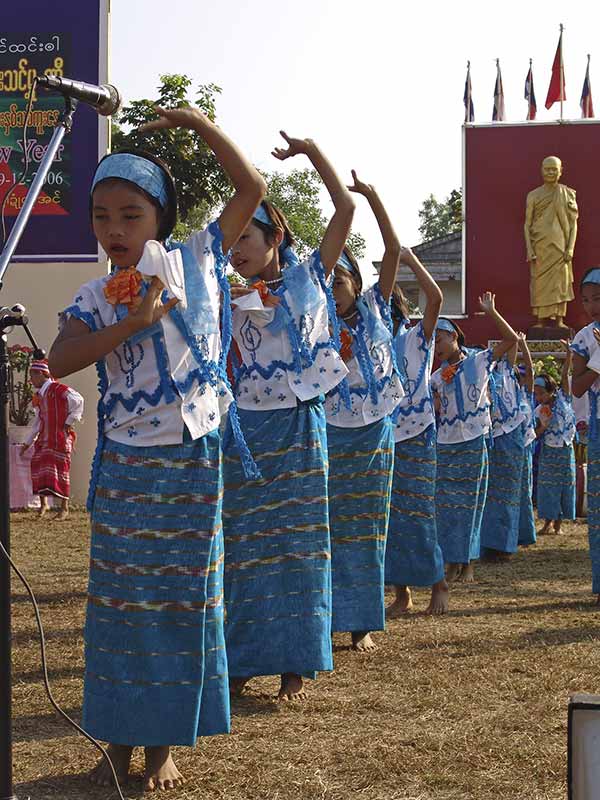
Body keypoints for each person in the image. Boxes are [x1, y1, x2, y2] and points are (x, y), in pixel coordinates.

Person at [48, 106, 266, 791]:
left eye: (130, 215)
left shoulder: (197, 259)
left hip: (193, 462)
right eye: (102, 217)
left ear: (160, 217)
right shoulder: (94, 294)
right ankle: (116, 740)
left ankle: (164, 742)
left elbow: (252, 189)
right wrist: (131, 324)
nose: (113, 230)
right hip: (127, 469)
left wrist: (199, 123)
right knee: (120, 606)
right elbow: (59, 359)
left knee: (182, 601)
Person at [224, 133, 354, 700]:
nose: (236, 250)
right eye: (231, 242)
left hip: (301, 425)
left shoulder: (310, 280)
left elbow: (345, 209)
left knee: (297, 542)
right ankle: (245, 655)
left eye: (246, 239)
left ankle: (296, 665)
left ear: (275, 236)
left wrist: (311, 154)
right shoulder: (228, 296)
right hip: (249, 429)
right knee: (248, 541)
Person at [324, 171, 404, 650]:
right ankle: (333, 616)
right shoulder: (315, 322)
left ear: (355, 281)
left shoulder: (375, 307)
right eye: (327, 279)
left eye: (339, 279)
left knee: (369, 525)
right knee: (333, 527)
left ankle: (363, 624)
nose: (333, 287)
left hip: (374, 431)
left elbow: (392, 252)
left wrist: (373, 198)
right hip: (331, 430)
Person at [431, 294, 518, 583]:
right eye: (433, 342)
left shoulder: (479, 361)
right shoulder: (435, 377)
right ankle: (451, 562)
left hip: (472, 441)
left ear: (455, 336)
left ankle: (467, 562)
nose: (437, 347)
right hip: (445, 445)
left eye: (441, 339)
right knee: (446, 506)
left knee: (471, 504)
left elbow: (509, 339)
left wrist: (492, 312)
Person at [384, 249, 447, 616]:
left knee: (419, 511)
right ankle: (402, 594)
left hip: (419, 433)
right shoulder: (368, 340)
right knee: (391, 515)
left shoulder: (415, 337)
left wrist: (408, 260)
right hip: (383, 435)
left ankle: (438, 583)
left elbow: (436, 297)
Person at [480, 338, 526, 561]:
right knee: (489, 494)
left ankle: (505, 547)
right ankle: (488, 544)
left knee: (507, 494)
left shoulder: (506, 370)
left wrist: (492, 312)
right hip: (489, 437)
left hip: (510, 434)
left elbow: (513, 342)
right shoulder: (480, 373)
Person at [20, 358, 84, 519]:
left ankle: (64, 508)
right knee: (38, 467)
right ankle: (43, 505)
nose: (31, 380)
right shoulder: (39, 396)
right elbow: (37, 422)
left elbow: (79, 401)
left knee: (61, 469)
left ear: (41, 374)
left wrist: (68, 422)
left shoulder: (59, 389)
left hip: (60, 438)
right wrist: (28, 443)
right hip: (44, 438)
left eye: (33, 376)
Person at [571, 269, 600, 602]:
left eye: (598, 298)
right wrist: (597, 362)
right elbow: (576, 388)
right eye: (586, 300)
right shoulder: (584, 337)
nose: (592, 306)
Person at [524, 156, 578, 328]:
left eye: (554, 169)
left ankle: (560, 320)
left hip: (560, 247)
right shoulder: (533, 195)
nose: (550, 172)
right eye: (547, 169)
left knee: (560, 282)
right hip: (540, 247)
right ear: (541, 170)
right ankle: (540, 320)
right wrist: (529, 248)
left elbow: (573, 224)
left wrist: (570, 248)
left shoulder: (567, 193)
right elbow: (527, 224)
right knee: (539, 282)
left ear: (561, 171)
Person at [534, 352, 576, 535]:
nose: (538, 397)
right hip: (549, 450)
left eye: (541, 393)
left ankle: (558, 524)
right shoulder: (538, 411)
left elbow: (566, 373)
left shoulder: (563, 398)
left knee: (564, 485)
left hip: (566, 449)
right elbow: (534, 434)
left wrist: (569, 355)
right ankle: (547, 523)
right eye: (536, 394)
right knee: (548, 487)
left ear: (551, 391)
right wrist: (542, 427)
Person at [516, 334, 537, 547]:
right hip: (508, 448)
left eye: (522, 376)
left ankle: (526, 534)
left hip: (524, 449)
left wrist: (522, 346)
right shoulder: (507, 395)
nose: (521, 379)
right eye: (518, 376)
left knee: (525, 491)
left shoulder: (527, 396)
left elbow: (530, 371)